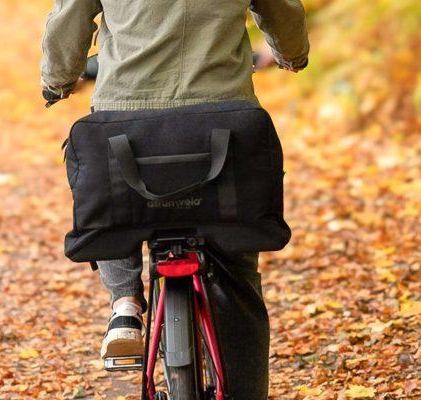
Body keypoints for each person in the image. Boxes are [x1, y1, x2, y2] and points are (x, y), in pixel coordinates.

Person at [41, 0, 308, 397]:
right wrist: (292, 55)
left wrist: (57, 81)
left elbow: (70, 19)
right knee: (239, 280)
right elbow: (282, 10)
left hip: (127, 125)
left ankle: (125, 303)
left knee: (107, 184)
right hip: (224, 124)